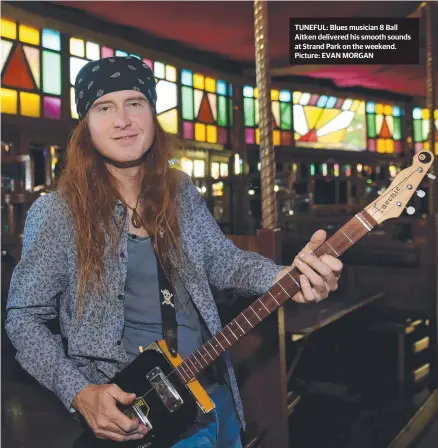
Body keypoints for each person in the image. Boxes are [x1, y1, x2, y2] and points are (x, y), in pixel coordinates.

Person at [5, 56, 343, 447]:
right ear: (86, 126)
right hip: (136, 414)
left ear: (152, 113)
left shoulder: (179, 191)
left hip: (210, 391)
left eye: (135, 102)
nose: (123, 120)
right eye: (104, 107)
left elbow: (224, 262)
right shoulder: (58, 213)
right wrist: (79, 393)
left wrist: (284, 277)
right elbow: (24, 320)